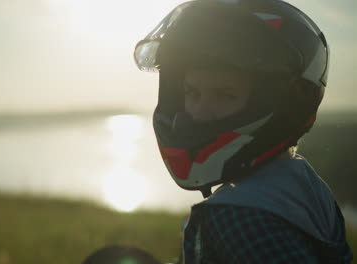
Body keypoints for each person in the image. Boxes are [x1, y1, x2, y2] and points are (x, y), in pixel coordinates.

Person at [133, 0, 353, 263]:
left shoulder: (236, 215)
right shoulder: (305, 185)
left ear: (280, 103)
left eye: (225, 95)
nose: (200, 113)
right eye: (192, 93)